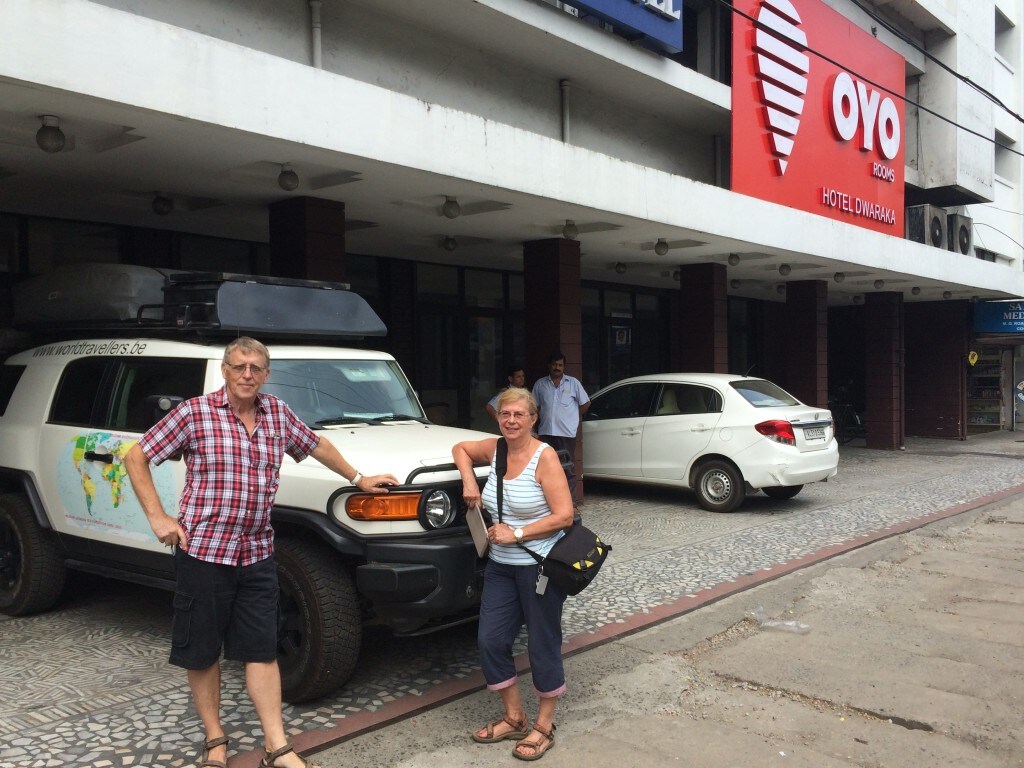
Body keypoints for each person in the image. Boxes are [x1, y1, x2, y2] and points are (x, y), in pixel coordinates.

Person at [124, 337, 399, 768]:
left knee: (262, 649)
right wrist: (159, 517)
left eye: (255, 368)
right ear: (225, 370)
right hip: (204, 552)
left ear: (266, 374)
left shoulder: (278, 415)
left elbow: (316, 445)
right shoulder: (195, 414)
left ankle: (277, 745)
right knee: (202, 649)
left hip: (256, 552)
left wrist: (359, 478)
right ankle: (215, 739)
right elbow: (136, 456)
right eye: (239, 366)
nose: (247, 374)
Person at [452, 387, 575, 762]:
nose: (511, 421)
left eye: (519, 415)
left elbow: (564, 516)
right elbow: (459, 448)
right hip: (501, 567)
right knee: (490, 639)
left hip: (538, 568)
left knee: (542, 643)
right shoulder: (495, 448)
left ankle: (544, 725)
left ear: (533, 419)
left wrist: (517, 532)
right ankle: (515, 716)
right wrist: (469, 480)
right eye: (505, 414)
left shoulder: (545, 457)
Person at [531, 352, 590, 503]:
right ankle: (547, 502)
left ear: (564, 366)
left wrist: (573, 418)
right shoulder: (540, 384)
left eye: (560, 365)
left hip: (566, 433)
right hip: (546, 432)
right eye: (554, 365)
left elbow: (586, 403)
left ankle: (571, 503)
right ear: (549, 365)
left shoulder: (573, 383)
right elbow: (533, 407)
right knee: (545, 468)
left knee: (568, 468)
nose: (557, 368)